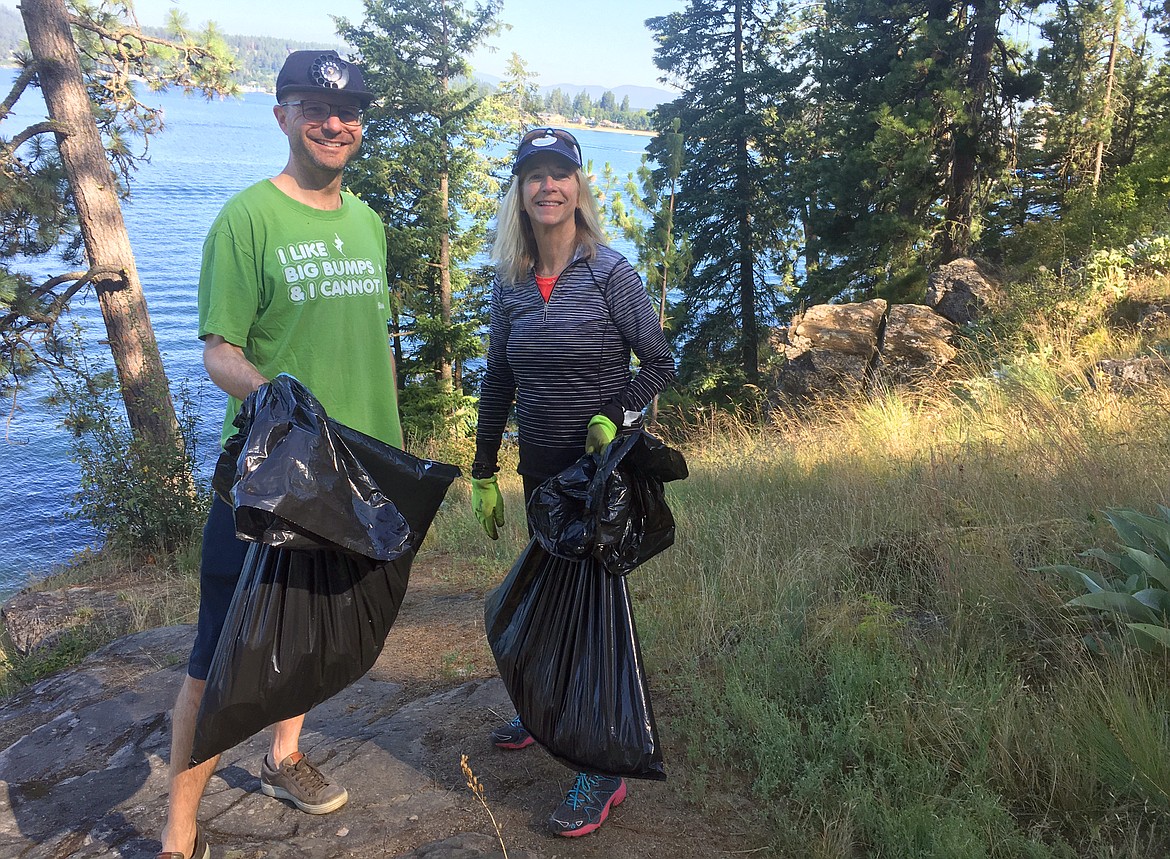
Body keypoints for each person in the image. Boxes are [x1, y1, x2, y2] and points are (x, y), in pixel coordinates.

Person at [158, 50, 401, 859]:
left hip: (353, 473)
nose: (335, 122)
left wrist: (392, 452)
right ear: (284, 116)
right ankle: (179, 829)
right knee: (217, 653)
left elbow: (370, 348)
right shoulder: (247, 219)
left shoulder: (368, 223)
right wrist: (265, 391)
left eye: (349, 110)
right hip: (268, 473)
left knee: (311, 631)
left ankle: (284, 750)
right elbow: (218, 349)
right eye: (315, 107)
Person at [470, 127, 676, 836]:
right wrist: (481, 469)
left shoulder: (610, 273)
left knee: (592, 622)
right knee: (548, 603)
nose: (548, 186)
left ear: (578, 188)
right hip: (540, 478)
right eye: (535, 175)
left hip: (597, 482)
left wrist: (614, 415)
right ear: (520, 193)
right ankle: (543, 712)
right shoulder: (512, 284)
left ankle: (604, 765)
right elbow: (498, 379)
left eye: (561, 174)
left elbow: (657, 360)